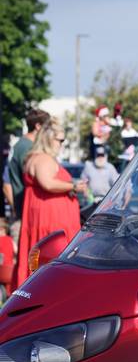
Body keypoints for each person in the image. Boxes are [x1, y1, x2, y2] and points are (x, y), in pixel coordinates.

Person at [15, 119, 87, 287]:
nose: (61, 144)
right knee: (51, 259)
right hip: (51, 219)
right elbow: (47, 183)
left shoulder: (34, 158)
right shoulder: (43, 159)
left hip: (45, 216)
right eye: (59, 140)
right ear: (48, 138)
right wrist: (73, 186)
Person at [3, 109, 50, 220]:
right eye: (47, 128)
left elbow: (6, 182)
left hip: (21, 211)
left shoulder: (20, 145)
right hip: (26, 213)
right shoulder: (28, 148)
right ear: (38, 126)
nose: (49, 132)